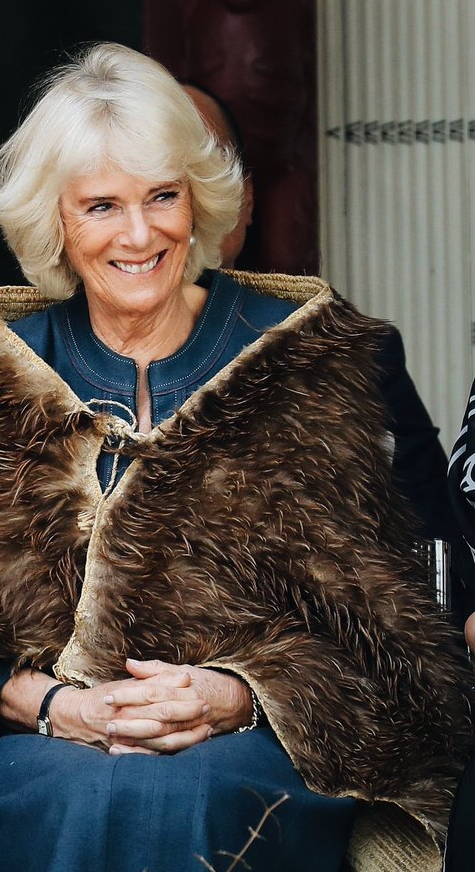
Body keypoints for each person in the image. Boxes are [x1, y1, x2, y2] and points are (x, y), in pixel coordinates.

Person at [0, 43, 471, 872]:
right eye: (102, 205)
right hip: (43, 743)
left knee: (182, 793)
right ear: (55, 222)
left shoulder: (310, 359)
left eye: (162, 197)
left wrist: (239, 694)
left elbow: (395, 621)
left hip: (266, 746)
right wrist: (61, 706)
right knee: (77, 790)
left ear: (199, 199)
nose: (139, 234)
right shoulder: (1, 371)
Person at [185, 81, 475, 623]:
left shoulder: (345, 350)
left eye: (203, 176)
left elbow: (431, 549)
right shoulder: (27, 362)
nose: (172, 214)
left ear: (244, 201)